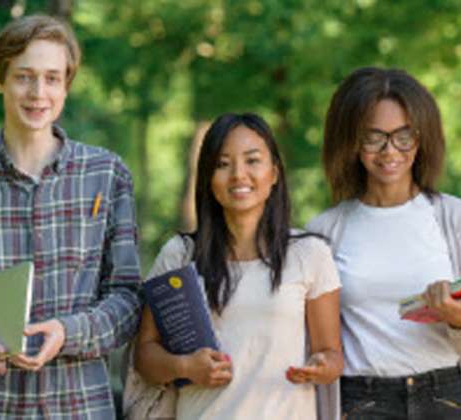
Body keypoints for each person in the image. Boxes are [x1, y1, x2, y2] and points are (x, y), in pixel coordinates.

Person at [0, 15, 142, 418]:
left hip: (79, 407)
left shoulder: (106, 174)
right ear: (0, 79)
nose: (38, 93)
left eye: (52, 78)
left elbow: (128, 299)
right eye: (24, 77)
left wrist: (69, 333)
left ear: (66, 85)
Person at [132, 113, 343, 419]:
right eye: (222, 164)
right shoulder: (180, 254)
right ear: (207, 178)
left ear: (274, 173)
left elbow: (332, 354)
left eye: (252, 161)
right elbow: (145, 356)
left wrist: (320, 367)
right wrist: (185, 367)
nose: (238, 174)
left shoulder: (309, 254)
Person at [307, 67, 461, 419]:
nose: (390, 151)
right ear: (351, 141)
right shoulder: (325, 233)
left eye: (404, 136)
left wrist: (458, 319)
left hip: (444, 396)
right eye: (373, 137)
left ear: (422, 138)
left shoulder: (455, 218)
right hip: (363, 399)